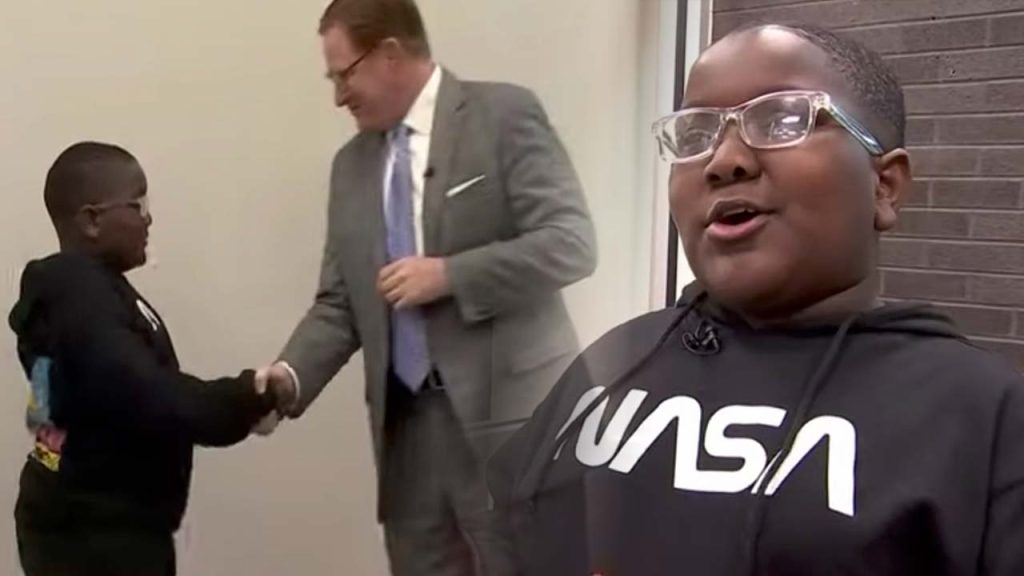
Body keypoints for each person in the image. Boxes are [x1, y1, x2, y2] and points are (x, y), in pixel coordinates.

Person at [487, 23, 1024, 576]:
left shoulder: (982, 415)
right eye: (696, 133)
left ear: (883, 186)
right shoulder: (621, 356)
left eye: (783, 119)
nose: (723, 160)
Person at [255, 0, 596, 573]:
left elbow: (571, 243)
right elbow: (340, 302)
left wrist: (449, 275)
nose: (339, 96)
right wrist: (288, 378)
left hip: (512, 424)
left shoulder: (504, 115)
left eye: (344, 75)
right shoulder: (349, 167)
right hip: (406, 435)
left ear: (389, 53)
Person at [9, 141, 286, 576]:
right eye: (138, 205)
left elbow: (66, 403)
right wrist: (247, 397)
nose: (148, 218)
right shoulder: (76, 292)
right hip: (94, 540)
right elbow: (146, 392)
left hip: (97, 525)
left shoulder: (82, 294)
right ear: (92, 220)